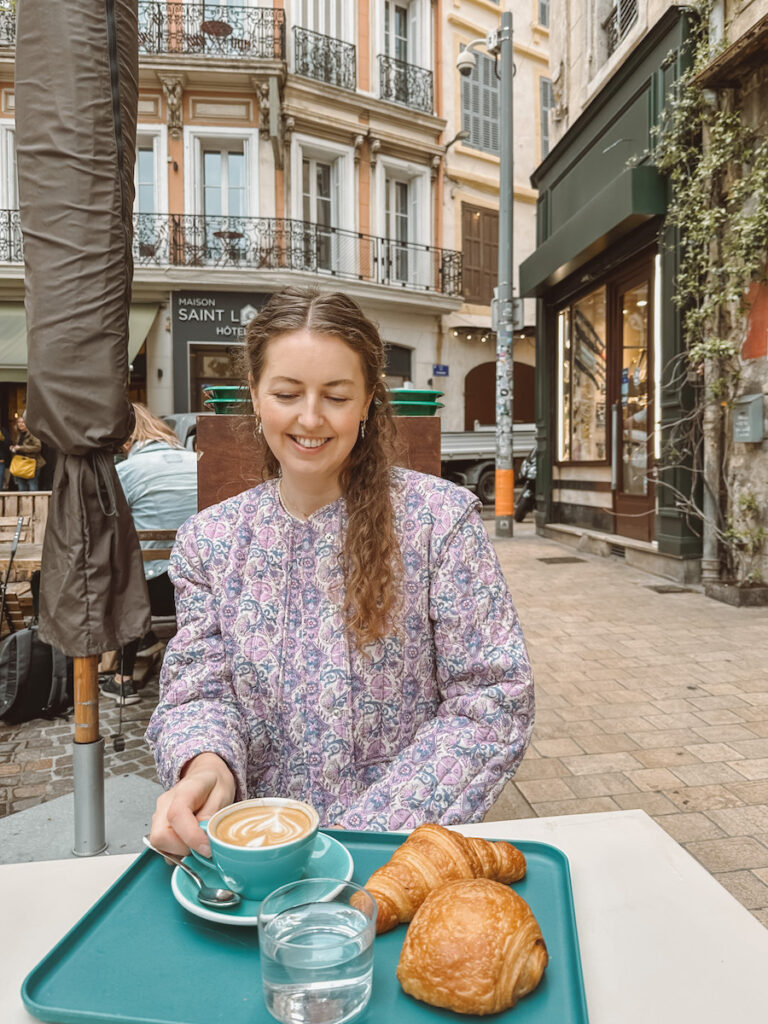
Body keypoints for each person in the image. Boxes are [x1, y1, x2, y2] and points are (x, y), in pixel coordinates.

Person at [147, 288, 534, 857]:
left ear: (368, 401)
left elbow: (493, 699)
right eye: (286, 393)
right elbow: (196, 690)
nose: (310, 418)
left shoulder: (439, 523)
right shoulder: (209, 542)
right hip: (256, 859)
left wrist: (357, 837)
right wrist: (208, 766)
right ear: (255, 396)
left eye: (335, 395)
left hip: (393, 857)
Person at [100, 404, 198, 706]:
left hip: (148, 595)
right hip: (196, 587)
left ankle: (124, 679)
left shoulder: (124, 471)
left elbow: (106, 525)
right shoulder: (198, 462)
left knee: (121, 572)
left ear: (127, 441)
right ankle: (151, 644)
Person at [9, 411, 45, 491]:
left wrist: (21, 448)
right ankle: (23, 504)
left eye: (23, 422)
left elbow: (38, 447)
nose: (20, 424)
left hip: (31, 464)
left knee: (33, 487)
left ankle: (35, 504)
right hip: (20, 464)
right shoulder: (18, 434)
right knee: (21, 488)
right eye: (19, 422)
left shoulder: (32, 433)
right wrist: (14, 448)